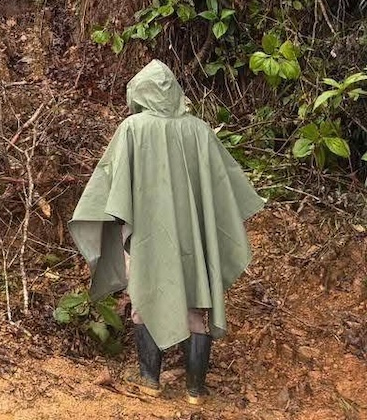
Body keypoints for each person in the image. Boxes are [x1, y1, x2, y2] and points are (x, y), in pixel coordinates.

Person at [69, 60, 265, 404]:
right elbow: (223, 190)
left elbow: (109, 187)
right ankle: (195, 390)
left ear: (140, 92)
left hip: (147, 235)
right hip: (194, 240)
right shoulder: (199, 131)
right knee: (195, 310)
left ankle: (149, 381)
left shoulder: (132, 129)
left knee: (142, 301)